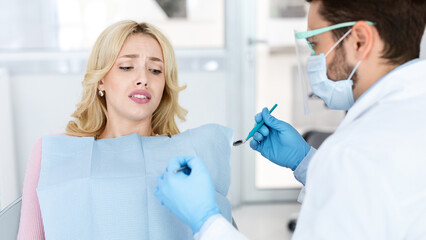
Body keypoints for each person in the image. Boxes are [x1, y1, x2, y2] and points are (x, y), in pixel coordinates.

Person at [154, 0, 426, 239]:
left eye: (314, 44)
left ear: (360, 41)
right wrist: (308, 162)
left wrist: (207, 222)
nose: (312, 58)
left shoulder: (353, 154)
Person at [17, 20, 234, 239]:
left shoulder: (188, 161)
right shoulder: (55, 153)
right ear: (101, 79)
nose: (143, 79)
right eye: (127, 67)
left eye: (155, 70)